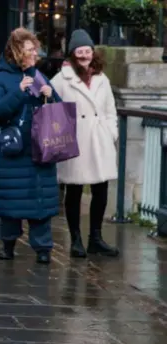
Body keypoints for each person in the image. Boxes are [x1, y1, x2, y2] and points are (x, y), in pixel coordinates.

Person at [0, 28, 62, 265]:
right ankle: (7, 244)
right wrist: (18, 93)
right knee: (11, 202)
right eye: (30, 50)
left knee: (40, 203)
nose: (35, 54)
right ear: (18, 52)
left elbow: (58, 111)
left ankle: (43, 248)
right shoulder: (1, 79)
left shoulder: (38, 75)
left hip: (40, 149)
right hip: (13, 151)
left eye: (35, 49)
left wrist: (51, 96)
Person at [51, 29, 120, 258]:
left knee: (101, 189)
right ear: (72, 54)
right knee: (74, 189)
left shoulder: (102, 78)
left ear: (93, 52)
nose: (83, 55)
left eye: (87, 50)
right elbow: (51, 110)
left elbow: (111, 110)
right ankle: (76, 240)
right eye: (79, 51)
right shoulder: (61, 80)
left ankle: (96, 239)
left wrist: (111, 133)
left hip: (99, 140)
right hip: (76, 142)